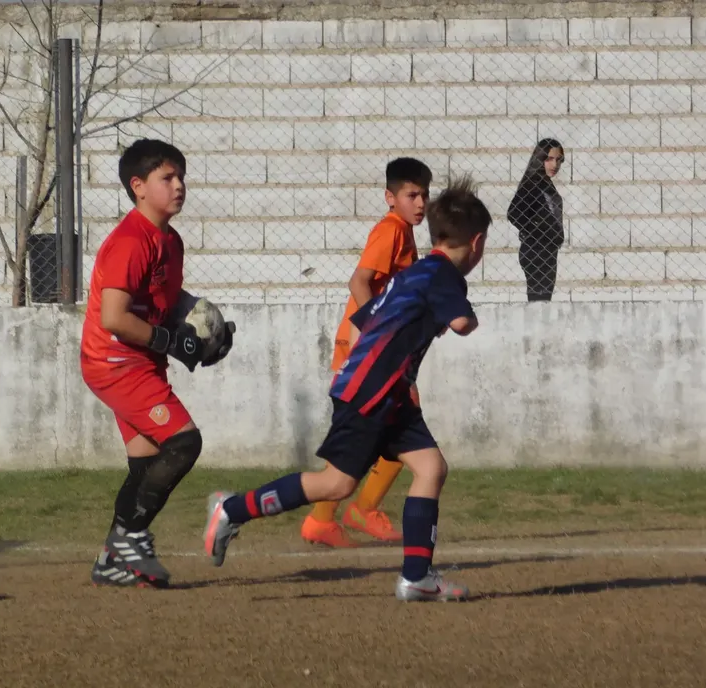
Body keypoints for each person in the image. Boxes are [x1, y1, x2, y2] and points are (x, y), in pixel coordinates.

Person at [203, 176, 491, 602]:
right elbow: (462, 324)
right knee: (336, 485)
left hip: (384, 392)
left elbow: (369, 319)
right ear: (478, 242)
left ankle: (416, 577)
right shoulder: (444, 274)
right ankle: (231, 510)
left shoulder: (413, 274)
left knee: (430, 468)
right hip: (373, 394)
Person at [80, 138, 233, 588]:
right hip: (115, 362)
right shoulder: (130, 240)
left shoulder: (169, 241)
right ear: (138, 186)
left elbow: (163, 302)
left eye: (181, 176)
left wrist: (206, 336)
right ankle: (128, 538)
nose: (179, 185)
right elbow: (114, 317)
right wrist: (173, 343)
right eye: (167, 178)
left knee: (146, 464)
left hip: (139, 361)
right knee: (184, 444)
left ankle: (114, 560)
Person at [301, 157, 433, 549]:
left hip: (376, 349)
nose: (421, 202)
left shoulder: (404, 232)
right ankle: (349, 512)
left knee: (391, 420)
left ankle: (339, 515)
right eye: (412, 194)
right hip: (364, 348)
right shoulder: (391, 229)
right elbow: (359, 280)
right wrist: (375, 330)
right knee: (393, 419)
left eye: (425, 194)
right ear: (391, 198)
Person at [507, 138, 564, 302]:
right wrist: (537, 230)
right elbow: (514, 213)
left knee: (543, 299)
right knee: (539, 299)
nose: (555, 165)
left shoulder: (545, 183)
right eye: (549, 159)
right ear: (539, 159)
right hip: (536, 250)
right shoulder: (533, 182)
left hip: (546, 250)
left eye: (558, 160)